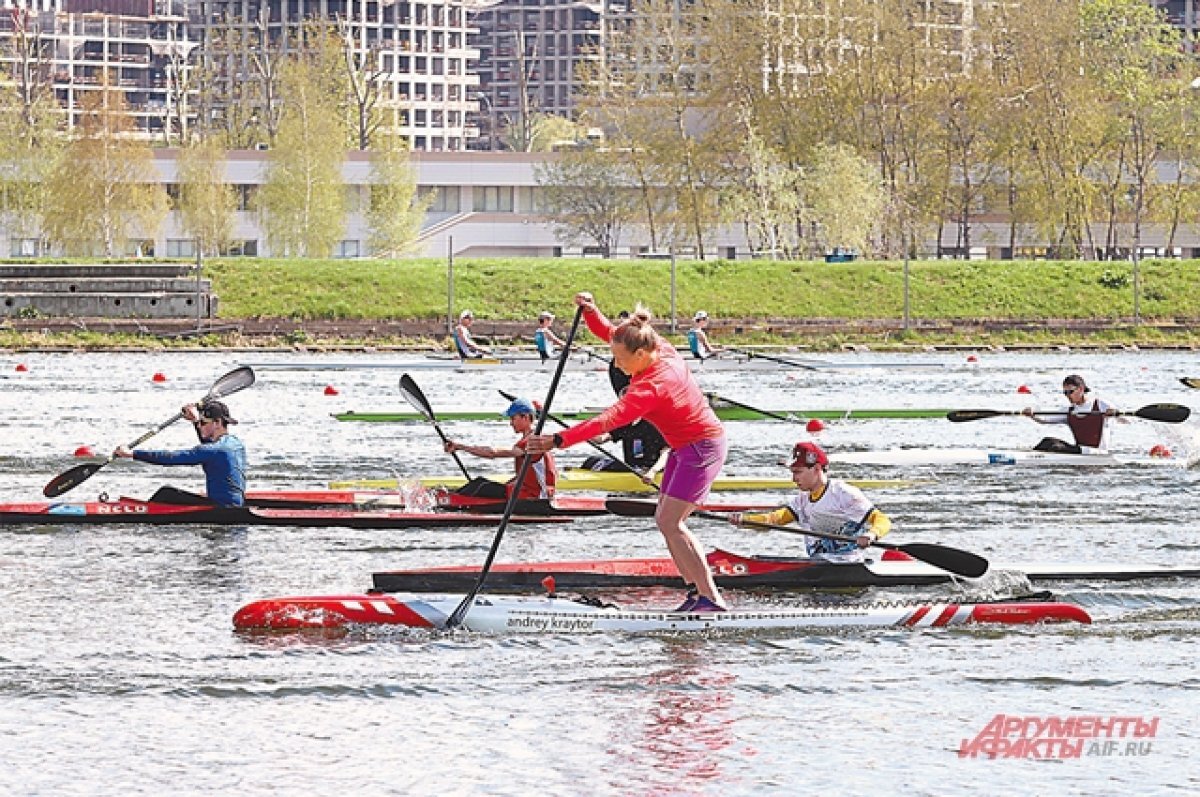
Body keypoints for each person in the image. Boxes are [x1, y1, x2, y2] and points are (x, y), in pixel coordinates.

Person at [527, 293, 729, 612]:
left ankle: (712, 599)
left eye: (620, 359)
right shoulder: (654, 344)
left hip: (702, 448)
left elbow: (606, 420)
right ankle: (695, 593)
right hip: (682, 446)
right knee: (664, 520)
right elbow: (608, 331)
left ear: (640, 354)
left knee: (671, 522)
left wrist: (558, 440)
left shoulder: (652, 387)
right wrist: (590, 310)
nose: (616, 365)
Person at [731, 441, 891, 562]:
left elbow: (882, 519)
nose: (793, 479)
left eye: (798, 472)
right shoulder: (802, 500)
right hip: (818, 563)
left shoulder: (843, 494)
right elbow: (774, 520)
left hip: (848, 564)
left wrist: (871, 535)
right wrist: (744, 520)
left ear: (817, 469)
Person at [114, 400, 247, 507]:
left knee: (166, 494)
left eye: (203, 422)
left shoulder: (213, 450)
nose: (199, 426)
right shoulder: (236, 444)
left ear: (217, 423)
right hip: (234, 503)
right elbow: (211, 451)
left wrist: (132, 454)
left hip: (220, 507)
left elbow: (171, 458)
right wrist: (195, 420)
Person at [443, 397, 557, 500]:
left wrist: (460, 447)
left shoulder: (530, 442)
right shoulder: (535, 439)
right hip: (532, 493)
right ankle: (450, 497)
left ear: (526, 417)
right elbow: (524, 477)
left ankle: (447, 500)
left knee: (480, 485)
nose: (511, 423)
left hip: (534, 496)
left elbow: (492, 453)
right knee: (482, 485)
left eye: (513, 418)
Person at [582, 359, 670, 478]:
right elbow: (601, 438)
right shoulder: (625, 421)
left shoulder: (655, 422)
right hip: (631, 469)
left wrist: (653, 472)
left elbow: (667, 452)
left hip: (649, 471)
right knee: (590, 461)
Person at [1022, 374, 1117, 453]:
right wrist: (1032, 414)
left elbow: (1123, 419)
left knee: (1054, 446)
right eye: (1065, 392)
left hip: (1098, 452)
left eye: (1070, 392)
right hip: (1080, 451)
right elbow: (1045, 420)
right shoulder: (1069, 410)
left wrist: (1115, 414)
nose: (1068, 396)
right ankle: (1029, 458)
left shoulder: (1101, 405)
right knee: (1047, 441)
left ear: (1081, 389)